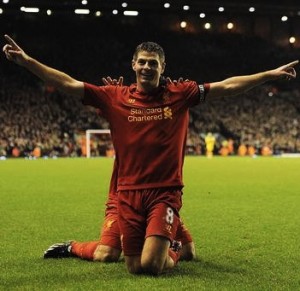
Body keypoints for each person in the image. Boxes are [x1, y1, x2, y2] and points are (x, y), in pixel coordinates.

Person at [3, 35, 298, 275]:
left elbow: (226, 86)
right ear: (133, 64)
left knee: (152, 266)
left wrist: (267, 75)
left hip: (164, 193)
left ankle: (171, 243)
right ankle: (172, 242)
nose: (147, 67)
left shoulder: (180, 93)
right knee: (133, 267)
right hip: (128, 193)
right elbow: (67, 84)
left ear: (162, 66)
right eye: (142, 62)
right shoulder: (113, 97)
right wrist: (28, 63)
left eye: (153, 63)